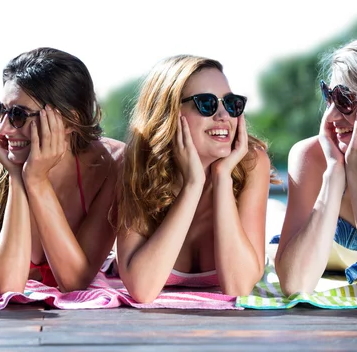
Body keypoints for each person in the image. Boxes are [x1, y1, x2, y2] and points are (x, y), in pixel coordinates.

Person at [0, 47, 124, 293]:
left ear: (68, 119)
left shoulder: (112, 165)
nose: (3, 129)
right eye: (1, 111)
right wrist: (16, 176)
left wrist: (37, 181)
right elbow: (7, 285)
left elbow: (74, 282)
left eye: (18, 115)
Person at [115, 55, 275, 303]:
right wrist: (193, 184)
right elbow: (142, 290)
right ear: (169, 112)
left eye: (231, 103)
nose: (224, 115)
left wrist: (222, 178)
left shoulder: (251, 164)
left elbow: (239, 286)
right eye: (206, 103)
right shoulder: (137, 165)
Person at [275, 35, 357, 299]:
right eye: (328, 96)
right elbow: (296, 285)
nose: (330, 115)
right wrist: (333, 174)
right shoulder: (312, 156)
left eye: (344, 99)